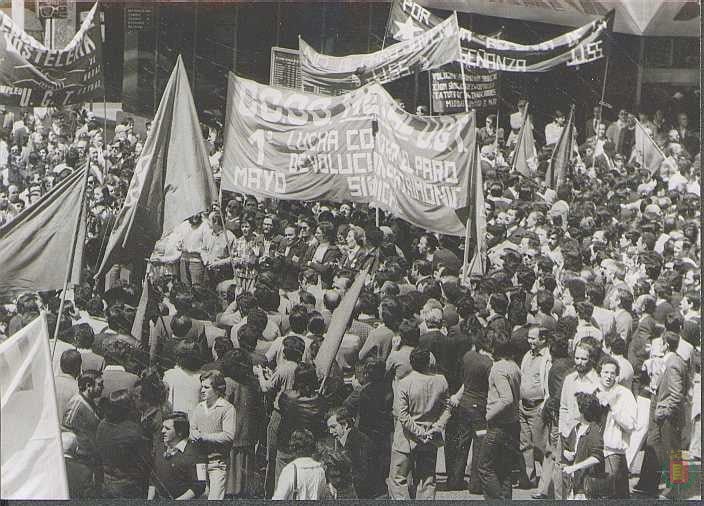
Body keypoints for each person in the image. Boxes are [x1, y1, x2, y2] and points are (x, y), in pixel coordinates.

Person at [388, 347, 451, 500]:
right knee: (427, 480)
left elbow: (402, 415)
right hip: (430, 436)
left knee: (398, 479)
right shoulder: (441, 380)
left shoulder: (404, 383)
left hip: (406, 438)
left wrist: (419, 432)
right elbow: (447, 408)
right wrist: (437, 426)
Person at [634, 331, 689, 498]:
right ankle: (648, 483)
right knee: (652, 444)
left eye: (659, 343)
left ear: (665, 345)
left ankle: (676, 488)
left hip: (668, 417)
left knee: (674, 452)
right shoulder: (671, 361)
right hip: (661, 414)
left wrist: (664, 412)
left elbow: (676, 394)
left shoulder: (673, 364)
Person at [478, 331, 521, 499]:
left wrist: (487, 416)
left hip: (499, 426)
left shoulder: (498, 369)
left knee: (485, 467)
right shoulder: (513, 366)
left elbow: (506, 398)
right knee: (504, 470)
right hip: (512, 424)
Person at [188, 370, 236, 500]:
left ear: (217, 389)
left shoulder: (227, 408)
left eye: (206, 387)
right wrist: (193, 435)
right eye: (202, 387)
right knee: (201, 496)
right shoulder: (199, 407)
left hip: (217, 463)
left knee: (215, 498)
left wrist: (204, 436)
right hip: (200, 462)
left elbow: (228, 436)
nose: (202, 390)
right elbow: (192, 429)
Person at [95, 389, 151, 498]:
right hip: (128, 487)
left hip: (106, 483)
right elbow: (145, 464)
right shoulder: (133, 431)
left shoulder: (102, 425)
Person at [595, 355, 637, 498]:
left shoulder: (624, 394)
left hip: (612, 450)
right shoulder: (592, 391)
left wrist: (613, 407)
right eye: (605, 372)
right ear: (599, 372)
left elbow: (630, 424)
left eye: (612, 373)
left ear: (617, 375)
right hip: (592, 449)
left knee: (614, 491)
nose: (608, 376)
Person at [62, 370, 104, 495]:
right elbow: (66, 430)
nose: (103, 387)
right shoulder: (77, 403)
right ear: (88, 386)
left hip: (90, 459)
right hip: (80, 461)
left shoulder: (92, 402)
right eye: (100, 384)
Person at [148, 412, 207, 500]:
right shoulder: (159, 449)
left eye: (167, 428)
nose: (162, 431)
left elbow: (200, 486)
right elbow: (153, 480)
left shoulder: (197, 453)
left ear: (180, 432)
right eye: (163, 427)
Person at [561, 392, 606, 499]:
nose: (571, 409)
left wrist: (574, 467)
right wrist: (566, 453)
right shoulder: (575, 429)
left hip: (586, 488)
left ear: (583, 411)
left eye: (574, 407)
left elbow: (597, 457)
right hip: (574, 484)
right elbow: (566, 447)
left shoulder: (593, 431)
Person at [325, 406, 374, 498]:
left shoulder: (359, 442)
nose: (331, 432)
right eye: (329, 428)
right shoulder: (342, 439)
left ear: (345, 425)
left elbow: (362, 475)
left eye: (333, 427)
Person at [272, 429, 327, 500]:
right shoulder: (320, 470)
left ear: (293, 447)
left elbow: (278, 500)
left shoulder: (289, 470)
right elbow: (322, 497)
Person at [55, 349, 82, 423]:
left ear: (60, 366)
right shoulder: (78, 389)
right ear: (78, 367)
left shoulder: (49, 383)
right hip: (67, 432)